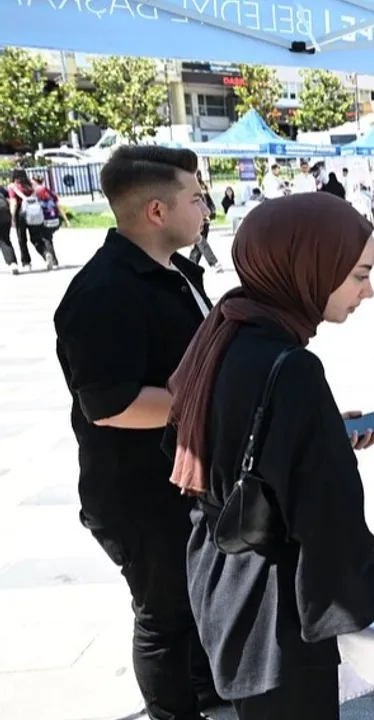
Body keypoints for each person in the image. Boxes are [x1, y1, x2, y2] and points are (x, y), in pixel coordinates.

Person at [165, 193, 374, 719]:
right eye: (358, 275)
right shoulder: (291, 368)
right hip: (272, 608)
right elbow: (325, 517)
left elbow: (224, 441)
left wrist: (322, 433)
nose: (369, 291)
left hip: (223, 579)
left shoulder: (229, 326)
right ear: (309, 267)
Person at [52, 146, 219, 720]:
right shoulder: (103, 292)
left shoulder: (176, 272)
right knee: (162, 614)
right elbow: (111, 404)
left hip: (184, 474)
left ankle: (203, 687)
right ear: (156, 210)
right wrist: (214, 402)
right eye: (196, 198)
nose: (206, 209)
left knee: (192, 596)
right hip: (138, 490)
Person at [8, 169, 53, 271]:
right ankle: (45, 253)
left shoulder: (13, 186)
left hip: (21, 214)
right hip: (34, 212)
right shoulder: (31, 186)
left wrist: (12, 217)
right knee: (36, 238)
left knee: (22, 239)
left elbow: (14, 203)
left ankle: (26, 263)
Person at [31, 174, 65, 269]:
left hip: (44, 219)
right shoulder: (49, 191)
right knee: (48, 238)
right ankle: (53, 260)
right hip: (54, 218)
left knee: (46, 239)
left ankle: (53, 261)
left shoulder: (36, 191)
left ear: (35, 181)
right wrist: (65, 219)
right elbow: (58, 204)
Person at [189, 173, 222, 273]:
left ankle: (191, 265)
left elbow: (208, 204)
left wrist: (209, 214)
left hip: (203, 220)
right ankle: (214, 263)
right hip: (198, 220)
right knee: (201, 243)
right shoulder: (192, 189)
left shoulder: (200, 188)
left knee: (199, 246)